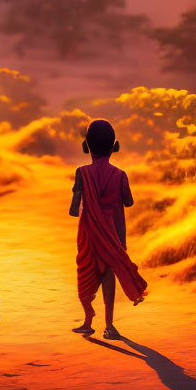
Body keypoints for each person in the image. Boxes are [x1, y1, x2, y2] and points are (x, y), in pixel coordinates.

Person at [70, 119, 147, 339]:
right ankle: (109, 326)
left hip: (90, 236)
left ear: (86, 147)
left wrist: (83, 197)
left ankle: (87, 319)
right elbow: (129, 202)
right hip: (114, 235)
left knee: (85, 274)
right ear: (115, 146)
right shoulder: (120, 175)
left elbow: (74, 210)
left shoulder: (81, 173)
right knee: (108, 276)